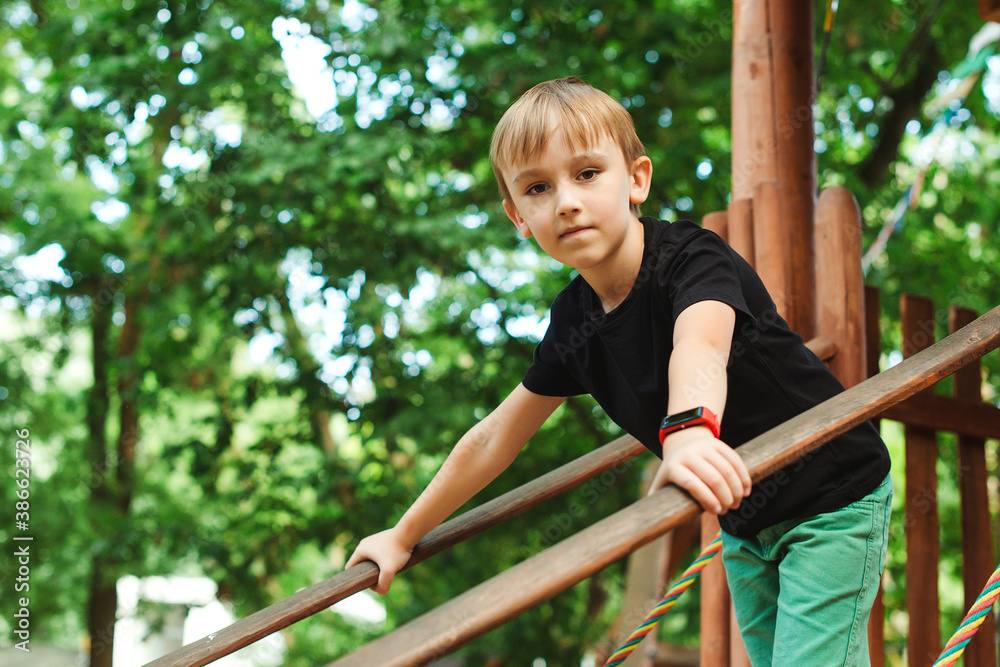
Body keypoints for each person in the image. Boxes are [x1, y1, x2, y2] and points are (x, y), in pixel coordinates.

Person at [345, 76, 892, 665]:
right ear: (517, 215)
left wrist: (689, 432)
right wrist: (402, 535)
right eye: (537, 187)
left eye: (586, 173)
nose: (566, 201)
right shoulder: (573, 322)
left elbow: (701, 343)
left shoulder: (690, 257)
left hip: (832, 491)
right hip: (745, 517)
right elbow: (495, 436)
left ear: (636, 179)